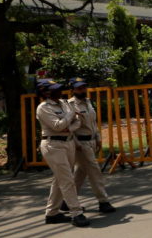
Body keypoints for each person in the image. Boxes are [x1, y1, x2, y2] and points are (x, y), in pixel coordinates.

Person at [35, 79, 90, 227]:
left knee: (60, 179)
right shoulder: (43, 108)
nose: (59, 91)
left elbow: (77, 122)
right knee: (67, 180)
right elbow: (58, 126)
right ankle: (76, 213)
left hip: (68, 142)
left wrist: (68, 127)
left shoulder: (64, 104)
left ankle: (52, 213)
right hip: (53, 145)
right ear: (46, 92)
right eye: (55, 89)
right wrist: (69, 117)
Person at [65, 77, 115, 214]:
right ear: (72, 90)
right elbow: (69, 127)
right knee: (94, 171)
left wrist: (98, 138)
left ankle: (66, 201)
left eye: (84, 87)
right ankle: (103, 201)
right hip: (81, 143)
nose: (82, 90)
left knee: (80, 172)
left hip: (91, 141)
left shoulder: (88, 102)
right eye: (79, 88)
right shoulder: (69, 105)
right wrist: (76, 143)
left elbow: (93, 123)